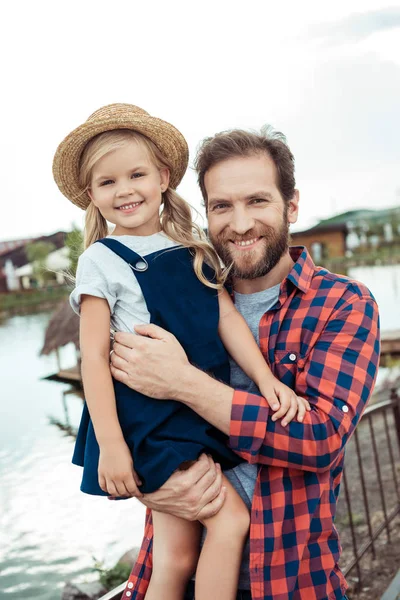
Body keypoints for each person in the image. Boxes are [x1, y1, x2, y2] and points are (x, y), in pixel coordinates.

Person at [110, 127, 380, 600]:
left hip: (292, 583)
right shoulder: (176, 299)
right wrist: (145, 487)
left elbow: (319, 438)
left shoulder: (344, 304)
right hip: (174, 575)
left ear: (290, 205)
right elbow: (125, 417)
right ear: (205, 213)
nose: (239, 224)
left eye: (257, 201)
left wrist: (183, 382)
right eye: (221, 206)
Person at [52, 105, 310, 600]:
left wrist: (268, 382)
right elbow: (93, 362)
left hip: (189, 410)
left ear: (163, 177)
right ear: (92, 196)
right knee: (230, 521)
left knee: (179, 553)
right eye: (107, 183)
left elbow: (228, 320)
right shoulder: (101, 262)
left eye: (136, 174)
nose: (124, 190)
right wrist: (111, 446)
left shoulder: (192, 248)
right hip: (152, 420)